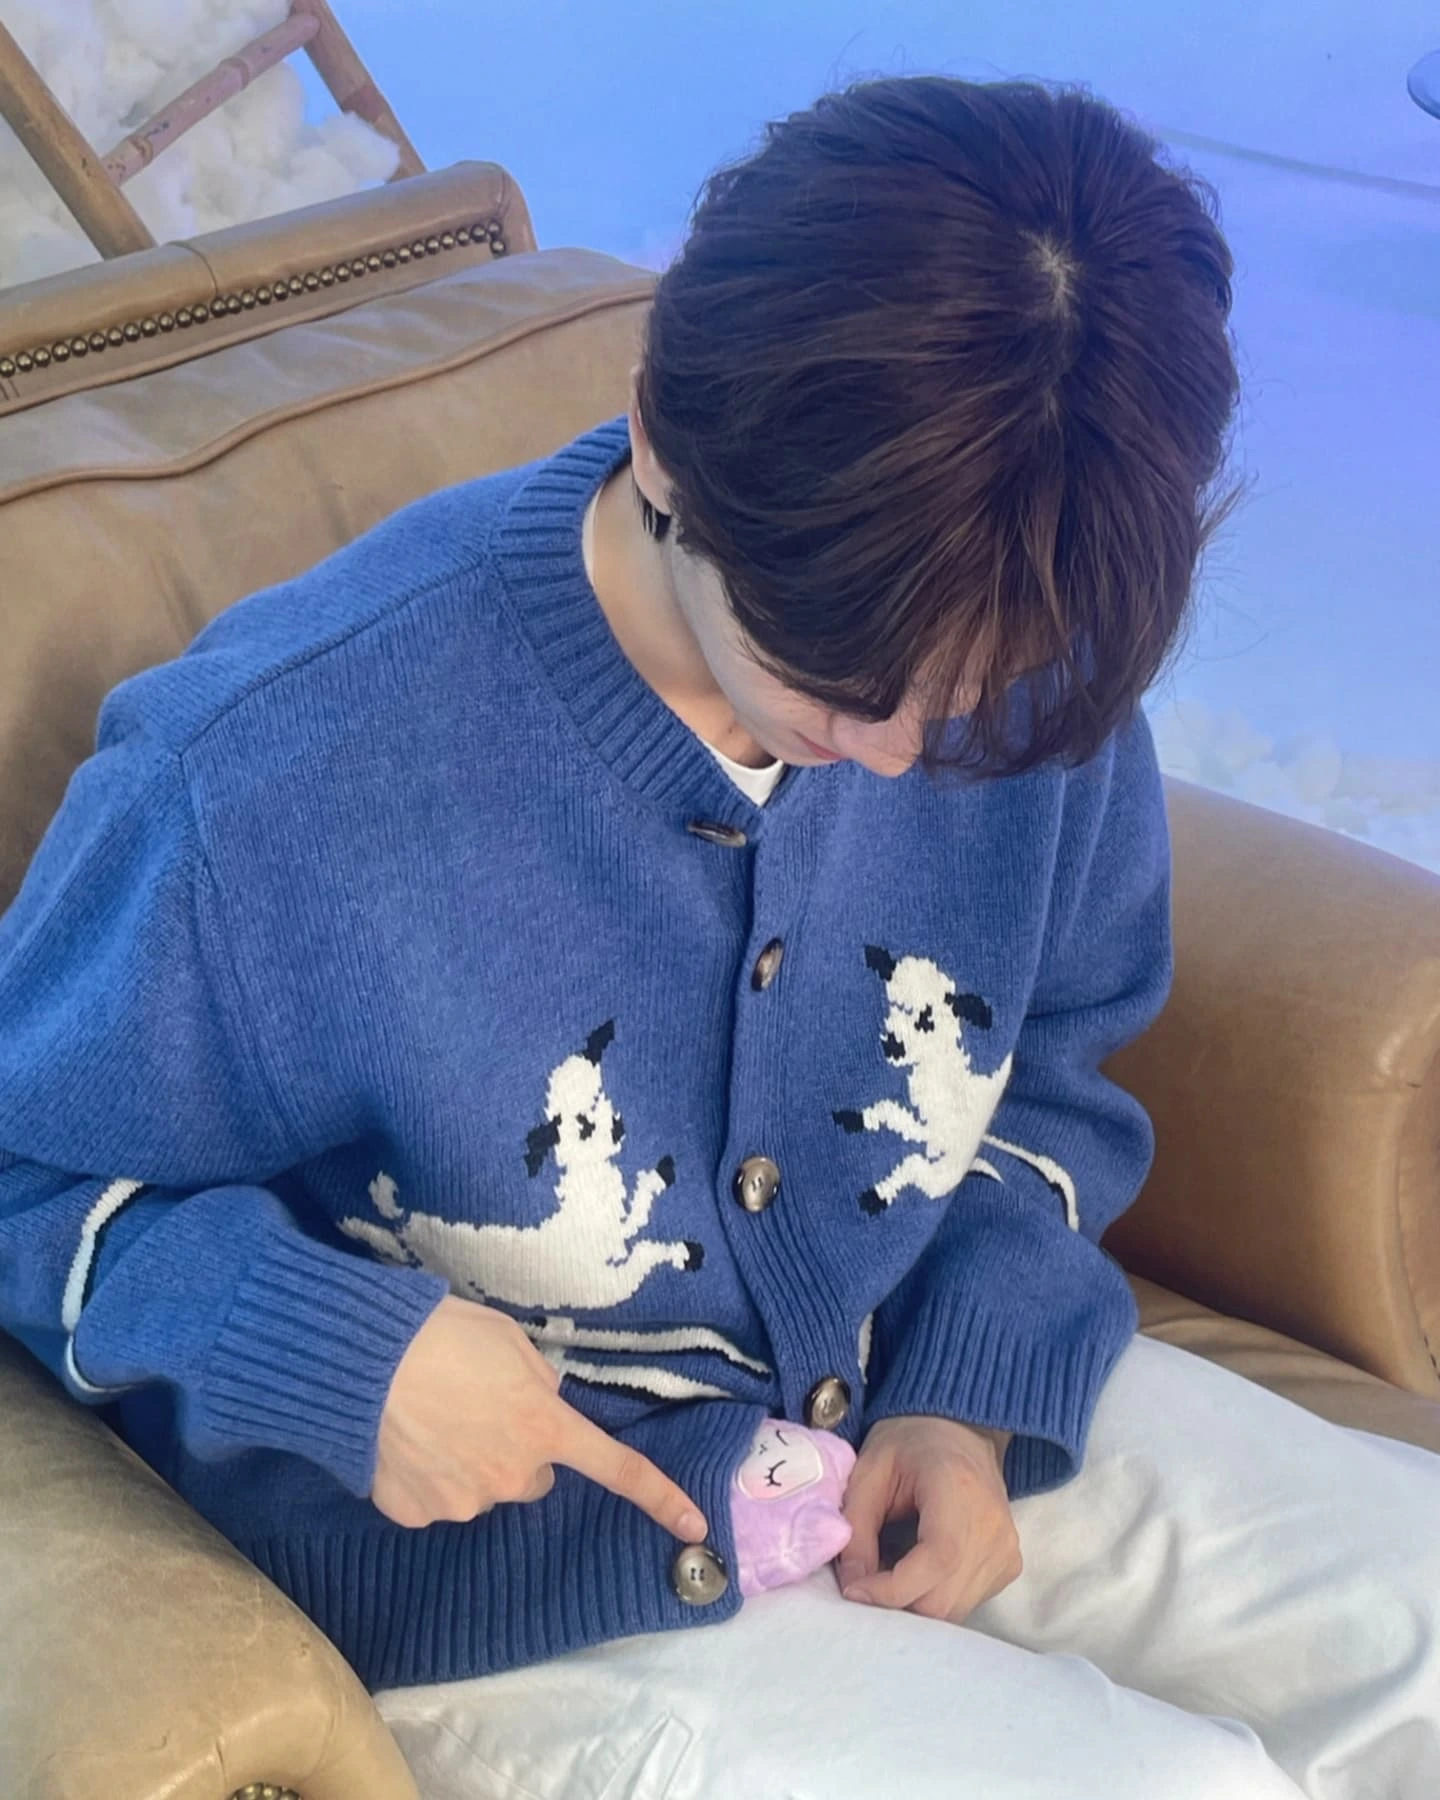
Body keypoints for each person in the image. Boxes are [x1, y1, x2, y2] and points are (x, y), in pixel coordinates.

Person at [0, 72, 1436, 1800]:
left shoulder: (1014, 599)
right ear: (666, 450)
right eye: (836, 681)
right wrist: (331, 1354)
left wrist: (969, 1389)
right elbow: (25, 1175)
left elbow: (1055, 1051)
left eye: (973, 705)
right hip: (515, 1564)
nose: (904, 757)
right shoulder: (268, 778)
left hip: (908, 1399)